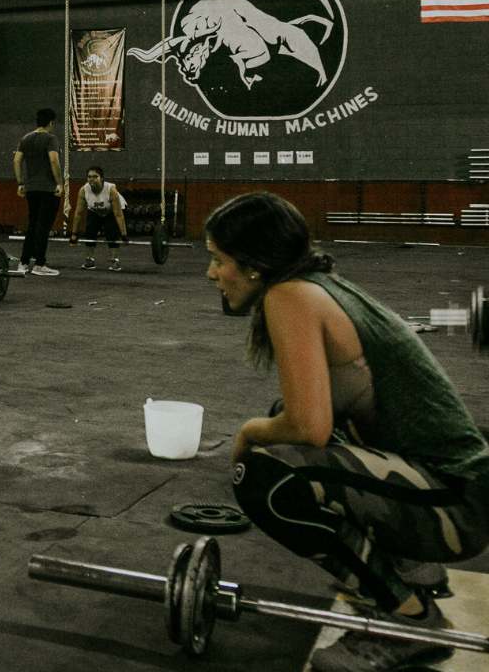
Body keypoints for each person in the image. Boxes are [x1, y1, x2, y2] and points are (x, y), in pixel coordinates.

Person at [205, 193, 489, 672]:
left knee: (265, 479)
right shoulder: (316, 284)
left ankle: (407, 620)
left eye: (217, 260)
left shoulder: (289, 295)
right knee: (283, 430)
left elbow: (310, 428)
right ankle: (411, 571)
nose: (211, 274)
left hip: (458, 504)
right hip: (458, 488)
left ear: (253, 265)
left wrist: (248, 433)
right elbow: (312, 419)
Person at [13, 108, 63, 276]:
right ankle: (39, 264)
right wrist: (59, 183)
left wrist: (21, 183)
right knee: (43, 227)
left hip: (31, 188)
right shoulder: (50, 138)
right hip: (47, 189)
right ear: (50, 123)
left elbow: (17, 160)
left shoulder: (25, 138)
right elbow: (54, 160)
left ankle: (23, 262)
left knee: (33, 225)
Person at [69, 166, 128, 271]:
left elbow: (118, 214)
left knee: (111, 231)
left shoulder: (111, 190)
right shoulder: (83, 190)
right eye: (89, 177)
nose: (92, 179)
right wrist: (74, 234)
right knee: (90, 230)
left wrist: (124, 235)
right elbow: (78, 213)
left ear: (101, 178)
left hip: (113, 211)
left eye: (95, 176)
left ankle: (115, 261)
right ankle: (90, 260)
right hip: (95, 211)